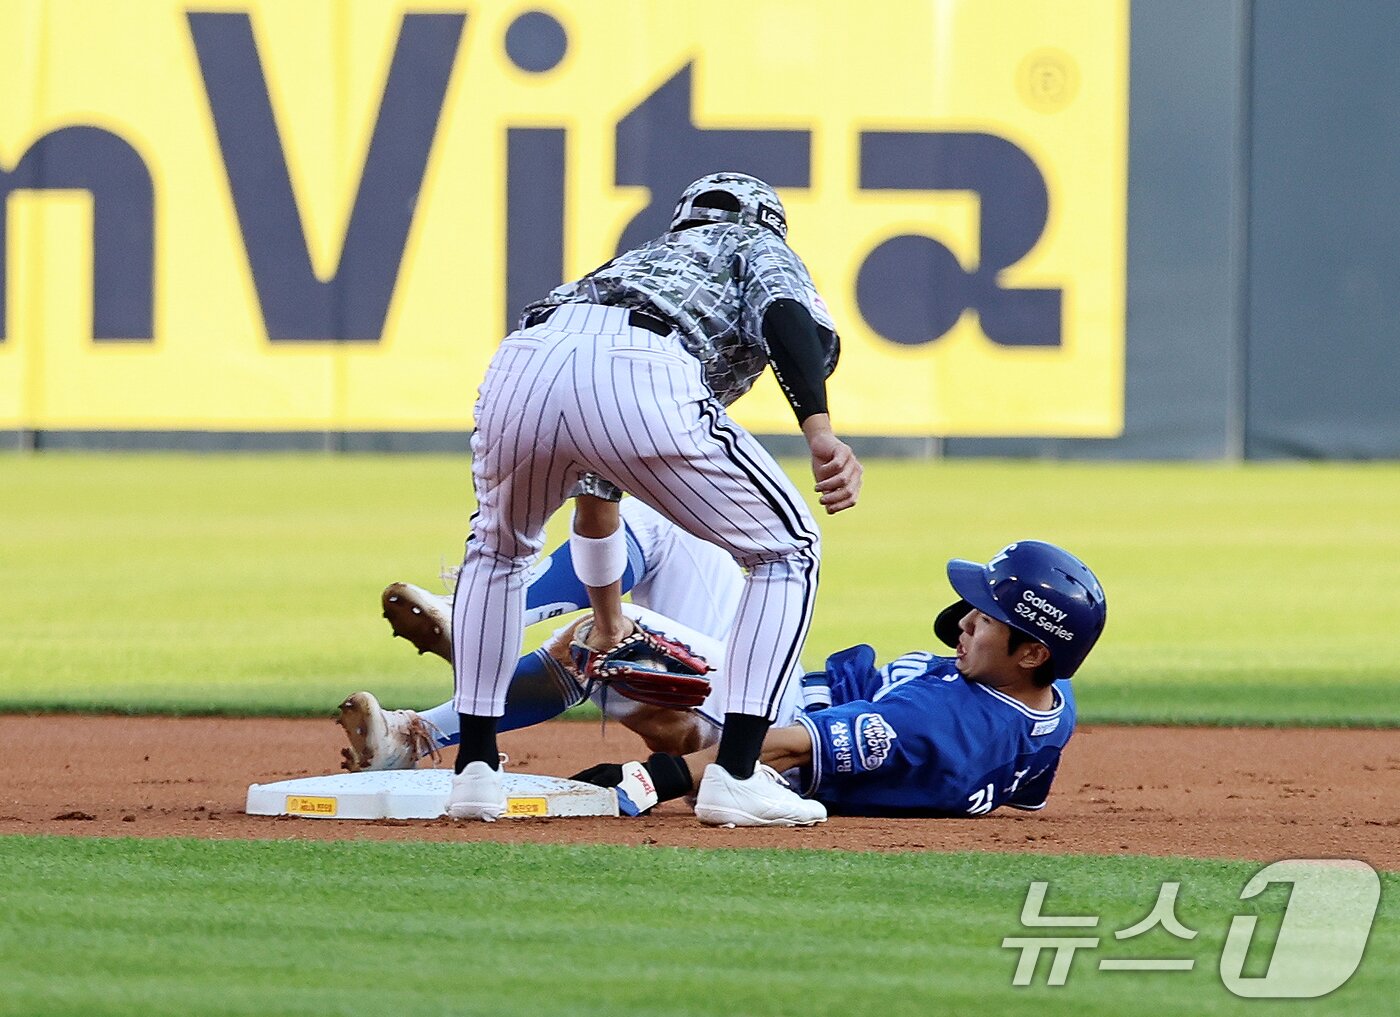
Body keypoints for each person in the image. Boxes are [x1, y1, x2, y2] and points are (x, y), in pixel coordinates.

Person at [447, 171, 862, 825]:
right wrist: (820, 430)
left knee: (497, 552)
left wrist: (609, 620)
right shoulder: (753, 242)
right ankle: (737, 773)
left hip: (525, 358)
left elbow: (595, 505)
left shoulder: (635, 263)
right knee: (789, 551)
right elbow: (787, 316)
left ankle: (474, 770)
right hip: (642, 360)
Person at [341, 526, 1108, 825]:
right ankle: (470, 641)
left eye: (987, 613)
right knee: (671, 529)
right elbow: (1027, 788)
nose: (965, 616)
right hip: (778, 682)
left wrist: (654, 777)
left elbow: (788, 745)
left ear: (1032, 651)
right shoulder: (1048, 703)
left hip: (753, 717)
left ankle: (425, 723)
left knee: (601, 639)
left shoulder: (942, 722)